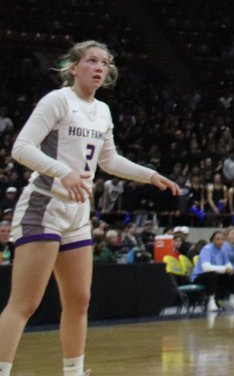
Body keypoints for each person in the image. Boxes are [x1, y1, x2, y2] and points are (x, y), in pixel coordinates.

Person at [0, 41, 180, 376]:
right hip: (44, 205)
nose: (99, 67)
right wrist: (62, 171)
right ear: (73, 67)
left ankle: (74, 371)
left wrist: (149, 175)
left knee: (80, 299)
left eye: (105, 63)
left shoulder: (103, 111)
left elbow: (108, 160)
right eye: (92, 61)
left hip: (78, 213)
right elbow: (21, 148)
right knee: (25, 303)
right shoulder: (58, 100)